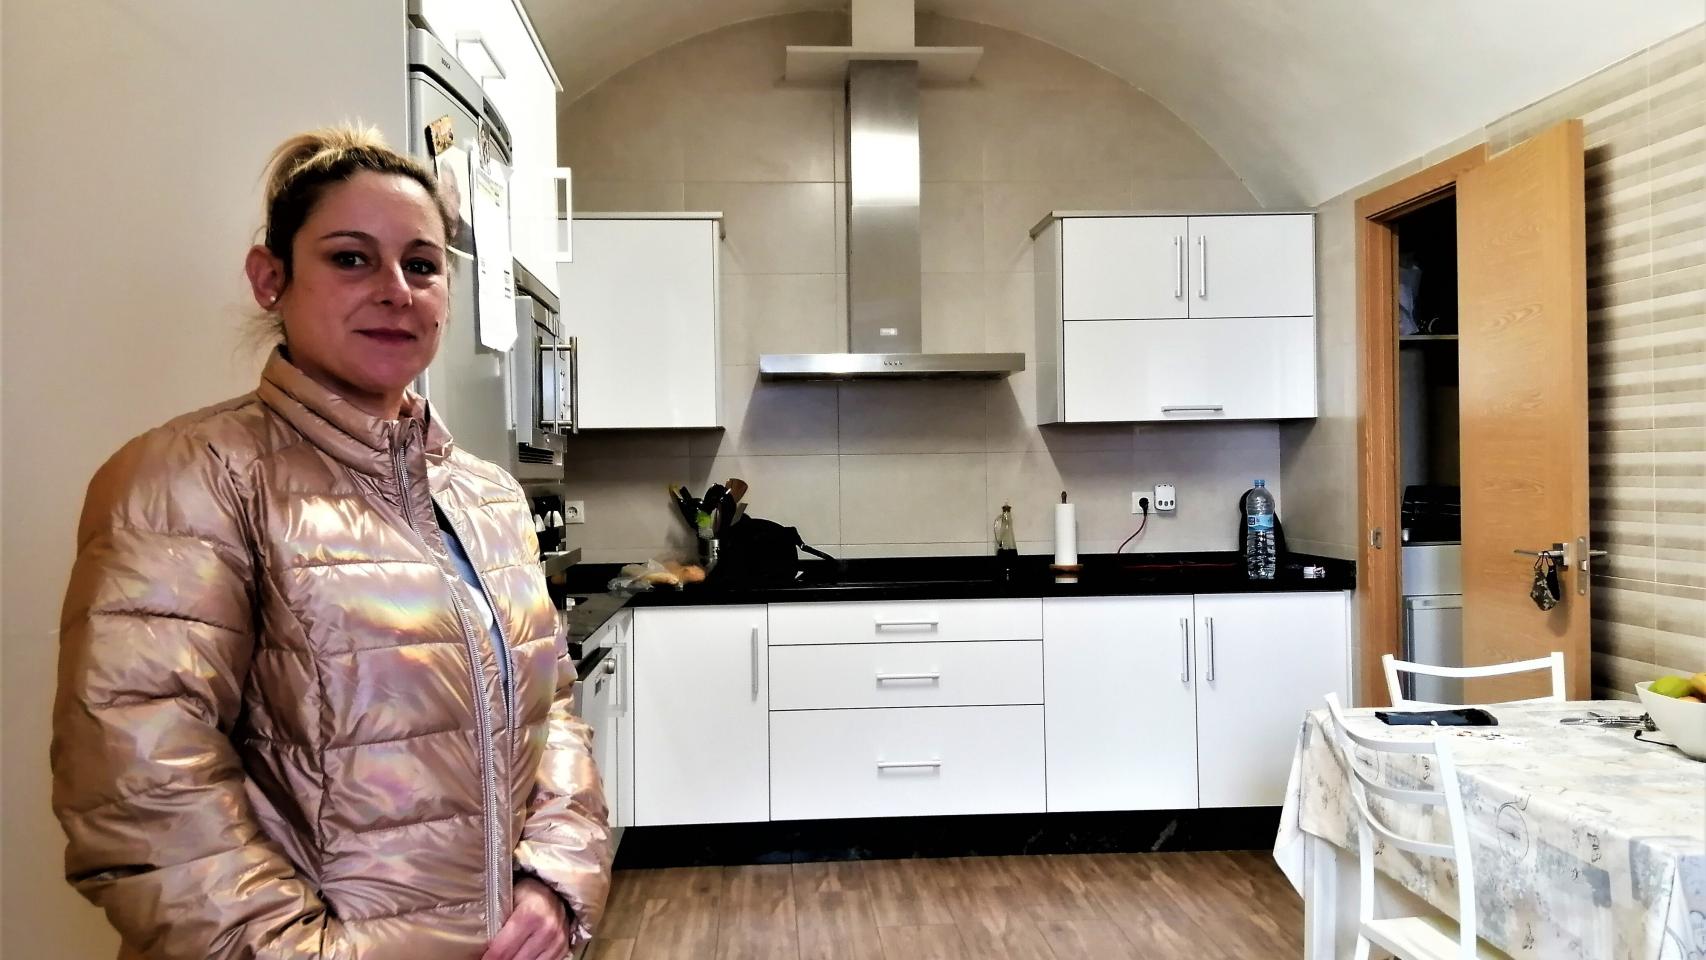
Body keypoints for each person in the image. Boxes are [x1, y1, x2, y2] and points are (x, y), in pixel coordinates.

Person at [51, 126, 611, 960]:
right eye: (352, 259)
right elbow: (140, 782)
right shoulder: (188, 479)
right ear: (269, 277)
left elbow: (552, 712)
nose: (396, 290)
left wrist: (555, 879)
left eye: (421, 265)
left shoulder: (487, 494)